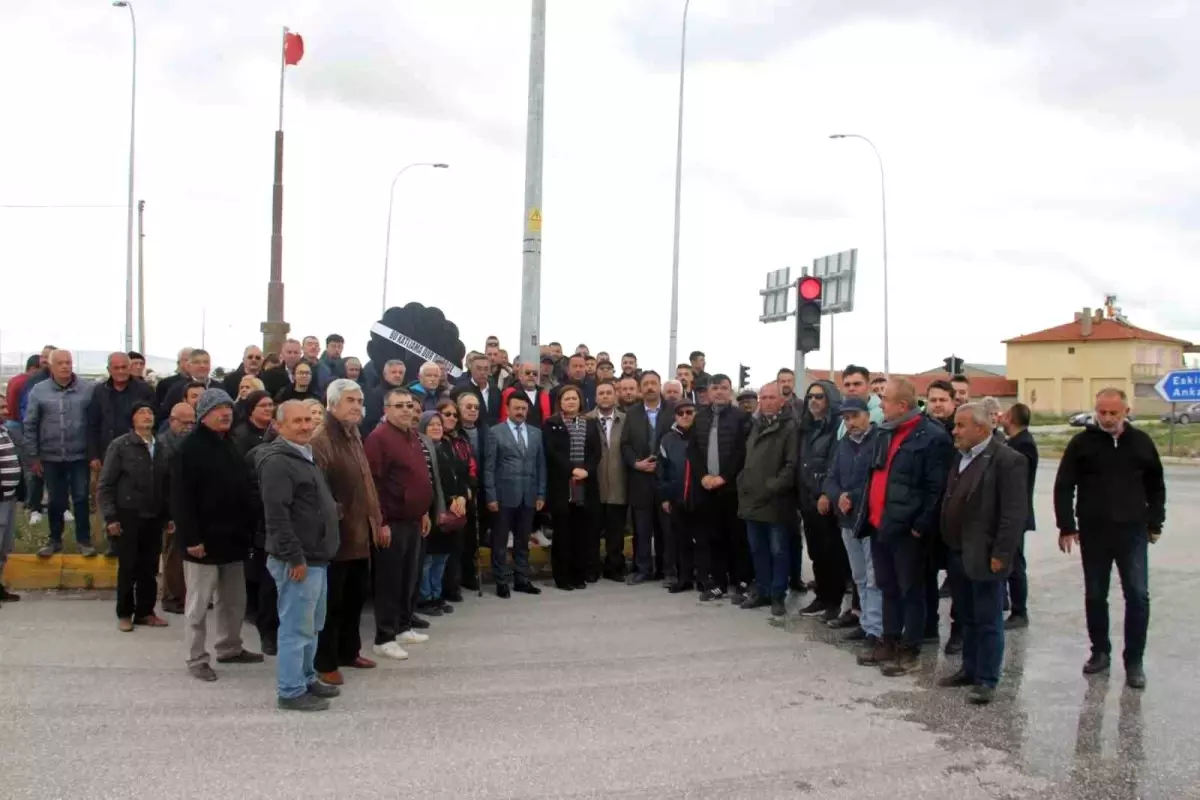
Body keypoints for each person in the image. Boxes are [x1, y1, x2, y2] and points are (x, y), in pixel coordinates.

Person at [1053, 388, 1164, 690]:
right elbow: (1064, 485)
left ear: (1126, 411)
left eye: (1113, 413)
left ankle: (1134, 661)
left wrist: (1155, 522)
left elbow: (1156, 485)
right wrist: (1066, 525)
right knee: (1095, 595)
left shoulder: (1141, 443)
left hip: (1132, 533)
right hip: (1094, 532)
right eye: (1102, 412)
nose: (1107, 418)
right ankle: (1100, 651)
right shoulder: (1082, 443)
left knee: (1138, 596)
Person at [935, 402, 1027, 706]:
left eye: (961, 426)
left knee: (988, 618)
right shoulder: (960, 457)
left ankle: (987, 678)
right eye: (955, 425)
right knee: (967, 615)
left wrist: (1002, 553)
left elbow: (1013, 515)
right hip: (958, 551)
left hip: (987, 554)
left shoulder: (1007, 460)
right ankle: (969, 669)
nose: (955, 431)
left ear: (981, 428)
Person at [171, 388, 264, 681]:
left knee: (233, 601)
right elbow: (180, 499)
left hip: (233, 541)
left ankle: (229, 647)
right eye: (217, 409)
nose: (225, 413)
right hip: (203, 543)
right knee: (198, 605)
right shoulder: (189, 449)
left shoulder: (229, 444)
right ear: (203, 414)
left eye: (227, 408)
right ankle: (196, 658)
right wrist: (191, 539)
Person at [256, 399, 341, 711]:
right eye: (297, 422)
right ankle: (290, 691)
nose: (306, 426)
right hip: (298, 561)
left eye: (309, 420)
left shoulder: (304, 454)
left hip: (316, 557)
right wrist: (295, 558)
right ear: (278, 426)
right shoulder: (278, 461)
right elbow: (277, 516)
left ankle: (306, 678)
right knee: (295, 628)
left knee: (312, 625)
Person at [864, 378, 953, 677]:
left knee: (910, 590)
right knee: (887, 586)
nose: (880, 403)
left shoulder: (931, 436)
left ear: (902, 405)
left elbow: (936, 488)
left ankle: (910, 647)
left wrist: (920, 526)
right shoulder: (883, 432)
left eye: (885, 399)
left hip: (908, 530)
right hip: (881, 525)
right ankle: (889, 640)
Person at [309, 380, 383, 686]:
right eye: (351, 400)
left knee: (355, 599)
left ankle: (349, 651)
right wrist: (336, 520)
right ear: (333, 403)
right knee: (332, 604)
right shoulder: (321, 438)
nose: (357, 406)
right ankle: (325, 661)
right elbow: (318, 493)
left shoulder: (353, 433)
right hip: (336, 537)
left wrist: (376, 519)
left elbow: (366, 481)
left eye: (360, 400)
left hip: (360, 533)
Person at [364, 387, 434, 659]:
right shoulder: (378, 439)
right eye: (399, 406)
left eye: (409, 405)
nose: (406, 410)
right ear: (386, 409)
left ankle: (403, 626)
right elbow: (373, 484)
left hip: (414, 520)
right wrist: (379, 522)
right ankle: (384, 637)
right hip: (391, 522)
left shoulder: (413, 436)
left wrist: (423, 511)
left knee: (409, 577)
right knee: (389, 582)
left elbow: (418, 478)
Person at [96, 402, 169, 632]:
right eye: (141, 413)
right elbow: (106, 484)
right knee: (128, 566)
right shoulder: (120, 445)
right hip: (128, 515)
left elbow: (167, 483)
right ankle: (125, 613)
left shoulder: (161, 446)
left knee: (149, 566)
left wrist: (169, 515)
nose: (147, 416)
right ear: (133, 420)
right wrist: (111, 518)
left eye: (150, 412)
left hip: (154, 514)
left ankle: (145, 612)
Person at [820, 397, 882, 652]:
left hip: (868, 520)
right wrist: (837, 496)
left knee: (872, 576)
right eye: (846, 418)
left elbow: (876, 479)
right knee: (858, 575)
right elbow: (830, 478)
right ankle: (865, 622)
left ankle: (876, 629)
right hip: (846, 519)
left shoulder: (879, 441)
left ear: (868, 415)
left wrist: (852, 497)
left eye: (855, 416)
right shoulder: (843, 444)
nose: (851, 422)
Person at [24, 349, 96, 557]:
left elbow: (93, 423)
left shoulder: (87, 389)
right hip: (50, 455)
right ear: (51, 366)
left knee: (81, 498)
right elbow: (30, 424)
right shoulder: (39, 391)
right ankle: (54, 540)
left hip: (79, 455)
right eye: (61, 363)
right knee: (56, 499)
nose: (66, 366)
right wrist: (33, 456)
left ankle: (84, 541)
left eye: (69, 362)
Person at [737, 382, 798, 618]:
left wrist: (771, 487)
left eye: (771, 397)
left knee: (778, 551)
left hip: (775, 501)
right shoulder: (755, 425)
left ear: (782, 400)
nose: (766, 401)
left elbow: (791, 465)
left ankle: (777, 595)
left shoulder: (790, 427)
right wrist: (743, 482)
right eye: (763, 397)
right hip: (752, 499)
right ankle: (762, 590)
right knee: (757, 550)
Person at [692, 374, 750, 602]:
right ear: (708, 391)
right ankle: (719, 583)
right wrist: (703, 476)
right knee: (714, 537)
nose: (719, 392)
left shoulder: (741, 418)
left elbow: (741, 452)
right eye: (715, 388)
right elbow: (694, 451)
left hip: (732, 487)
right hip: (707, 487)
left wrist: (724, 477)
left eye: (724, 388)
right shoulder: (700, 418)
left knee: (737, 536)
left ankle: (742, 581)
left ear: (730, 391)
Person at [483, 393, 546, 598]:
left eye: (523, 409)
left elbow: (541, 466)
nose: (520, 412)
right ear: (508, 409)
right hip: (503, 496)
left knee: (522, 541)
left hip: (528, 495)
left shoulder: (536, 433)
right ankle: (501, 581)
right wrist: (490, 496)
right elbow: (489, 467)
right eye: (516, 408)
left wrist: (541, 493)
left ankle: (521, 579)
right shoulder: (495, 432)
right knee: (500, 542)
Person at [797, 379, 850, 623]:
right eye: (810, 397)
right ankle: (821, 596)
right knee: (816, 552)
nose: (814, 401)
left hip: (825, 498)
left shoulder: (837, 427)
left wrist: (825, 494)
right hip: (807, 497)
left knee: (832, 553)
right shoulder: (807, 427)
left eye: (819, 396)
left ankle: (834, 601)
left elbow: (834, 463)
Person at [542, 385, 601, 591]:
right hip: (561, 485)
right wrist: (572, 470)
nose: (570, 402)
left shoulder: (591, 423)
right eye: (566, 398)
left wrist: (587, 470)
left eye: (574, 398)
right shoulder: (552, 423)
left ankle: (578, 574)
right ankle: (562, 577)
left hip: (585, 485)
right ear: (560, 402)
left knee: (580, 533)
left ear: (580, 401)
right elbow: (552, 452)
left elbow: (596, 452)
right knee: (562, 534)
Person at [621, 370, 673, 585]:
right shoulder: (632, 413)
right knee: (642, 529)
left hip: (666, 479)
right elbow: (625, 444)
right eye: (646, 384)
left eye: (654, 383)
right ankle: (643, 569)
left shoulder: (672, 410)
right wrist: (636, 463)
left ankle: (668, 570)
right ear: (641, 388)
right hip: (640, 479)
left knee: (667, 528)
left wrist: (661, 464)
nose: (650, 387)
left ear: (660, 385)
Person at [415, 410, 467, 613]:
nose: (436, 428)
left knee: (442, 556)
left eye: (439, 424)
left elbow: (459, 474)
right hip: (432, 510)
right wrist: (449, 499)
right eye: (431, 425)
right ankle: (424, 597)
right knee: (428, 558)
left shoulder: (446, 446)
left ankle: (436, 595)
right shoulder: (421, 450)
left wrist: (460, 496)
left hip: (451, 510)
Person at [1001, 402, 1038, 630]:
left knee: (1015, 564)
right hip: (1013, 512)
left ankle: (1019, 611)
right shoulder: (1015, 442)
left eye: (1005, 415)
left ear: (1012, 419)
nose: (1001, 418)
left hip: (1016, 513)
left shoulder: (1023, 445)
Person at [586, 380, 628, 582]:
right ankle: (592, 568)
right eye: (600, 393)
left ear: (615, 396)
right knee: (591, 531)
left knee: (615, 532)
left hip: (618, 483)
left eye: (608, 393)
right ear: (595, 398)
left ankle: (614, 568)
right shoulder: (585, 420)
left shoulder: (626, 420)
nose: (604, 396)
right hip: (593, 485)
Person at [436, 397, 477, 601]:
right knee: (441, 549)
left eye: (454, 414)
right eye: (447, 414)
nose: (451, 418)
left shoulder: (461, 437)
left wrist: (467, 489)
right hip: (443, 499)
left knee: (458, 545)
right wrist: (452, 497)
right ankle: (438, 591)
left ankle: (453, 586)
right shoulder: (435, 439)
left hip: (462, 494)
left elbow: (469, 465)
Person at [657, 399, 699, 592]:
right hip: (678, 497)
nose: (685, 416)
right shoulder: (667, 440)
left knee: (705, 541)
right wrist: (665, 498)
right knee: (681, 541)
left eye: (689, 412)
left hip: (701, 497)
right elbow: (662, 471)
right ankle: (684, 578)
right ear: (675, 416)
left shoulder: (702, 435)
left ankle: (706, 578)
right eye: (680, 413)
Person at [157, 403, 195, 614]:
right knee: (172, 555)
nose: (189, 426)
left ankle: (187, 595)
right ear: (172, 421)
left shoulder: (191, 443)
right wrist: (168, 514)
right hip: (171, 507)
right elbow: (161, 483)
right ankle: (171, 597)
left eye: (192, 422)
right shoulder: (163, 445)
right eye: (184, 422)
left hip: (189, 505)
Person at [0, 421, 25, 602]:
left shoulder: (5, 431)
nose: (6, 410)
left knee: (4, 547)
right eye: (1, 407)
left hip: (9, 497)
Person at [232, 391, 275, 456]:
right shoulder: (241, 434)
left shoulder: (277, 428)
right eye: (263, 405)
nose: (268, 409)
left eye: (270, 405)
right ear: (251, 409)